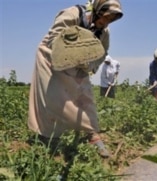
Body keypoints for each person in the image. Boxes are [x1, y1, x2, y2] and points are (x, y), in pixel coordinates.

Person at [28, 0, 123, 158]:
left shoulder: (104, 32)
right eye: (105, 17)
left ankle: (91, 133)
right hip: (50, 56)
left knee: (85, 95)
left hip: (79, 62)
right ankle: (47, 136)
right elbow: (54, 40)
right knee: (53, 97)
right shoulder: (72, 14)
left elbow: (102, 53)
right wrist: (77, 51)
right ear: (97, 11)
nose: (106, 23)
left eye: (110, 20)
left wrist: (89, 65)